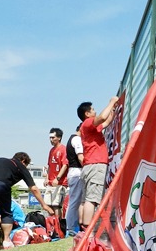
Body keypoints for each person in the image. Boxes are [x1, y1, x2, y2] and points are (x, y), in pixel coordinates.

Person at [0, 152, 54, 251]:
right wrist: (44, 205)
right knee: (6, 213)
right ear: (23, 161)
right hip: (1, 184)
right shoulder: (20, 166)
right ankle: (6, 241)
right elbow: (34, 189)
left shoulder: (0, 159)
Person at [78, 98, 119, 230]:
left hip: (88, 166)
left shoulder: (89, 129)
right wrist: (111, 102)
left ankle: (83, 229)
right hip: (96, 165)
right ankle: (88, 231)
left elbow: (106, 122)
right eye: (92, 109)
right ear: (87, 114)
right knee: (92, 199)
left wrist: (112, 110)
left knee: (85, 199)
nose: (95, 111)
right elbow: (102, 117)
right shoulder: (88, 123)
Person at [46, 127, 68, 222]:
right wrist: (47, 178)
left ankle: (58, 227)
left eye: (53, 137)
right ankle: (52, 225)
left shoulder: (63, 149)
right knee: (48, 205)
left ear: (59, 138)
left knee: (56, 205)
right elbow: (49, 165)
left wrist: (57, 178)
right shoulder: (51, 150)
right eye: (50, 137)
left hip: (60, 183)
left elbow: (65, 165)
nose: (51, 140)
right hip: (50, 183)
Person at [65, 124, 84, 235]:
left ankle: (71, 227)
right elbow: (80, 157)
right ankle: (70, 228)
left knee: (76, 201)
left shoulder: (72, 138)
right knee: (75, 201)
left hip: (74, 172)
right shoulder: (77, 139)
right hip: (77, 172)